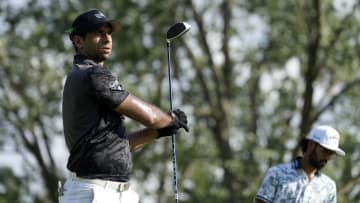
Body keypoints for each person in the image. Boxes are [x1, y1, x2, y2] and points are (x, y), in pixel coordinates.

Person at [59, 9, 189, 203]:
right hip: (95, 193)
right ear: (79, 41)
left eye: (109, 33)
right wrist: (170, 120)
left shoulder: (81, 75)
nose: (107, 39)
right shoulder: (92, 75)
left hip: (108, 192)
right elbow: (151, 117)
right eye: (98, 33)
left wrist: (158, 132)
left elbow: (114, 147)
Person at [255, 125, 346, 203]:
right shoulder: (277, 174)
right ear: (311, 144)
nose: (327, 158)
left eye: (331, 153)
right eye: (324, 151)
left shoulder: (328, 186)